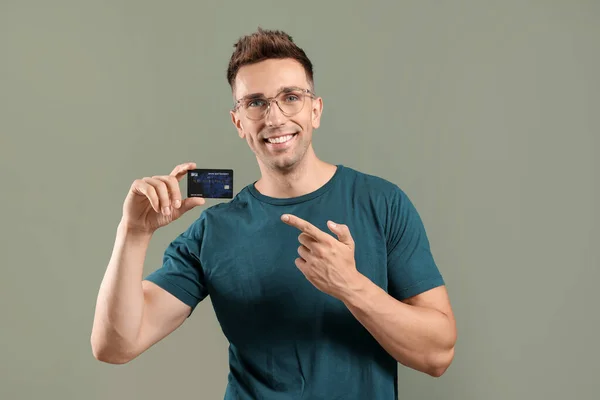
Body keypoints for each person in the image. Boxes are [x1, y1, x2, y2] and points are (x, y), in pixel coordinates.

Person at [91, 27, 457, 399]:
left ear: (315, 110)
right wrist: (133, 233)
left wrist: (352, 286)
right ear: (239, 122)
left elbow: (438, 354)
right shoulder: (213, 230)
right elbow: (115, 346)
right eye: (256, 103)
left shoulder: (382, 203)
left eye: (290, 97)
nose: (275, 117)